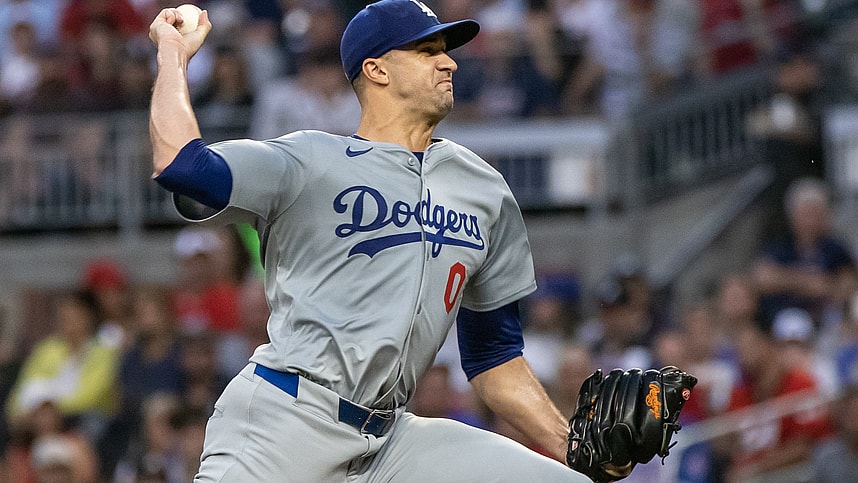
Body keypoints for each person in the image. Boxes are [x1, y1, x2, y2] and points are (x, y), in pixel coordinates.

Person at [146, 1, 592, 481]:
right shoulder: (309, 160)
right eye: (427, 50)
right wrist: (173, 54)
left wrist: (576, 448)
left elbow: (494, 357)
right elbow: (182, 166)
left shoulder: (484, 190)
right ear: (375, 69)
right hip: (285, 420)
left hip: (389, 441)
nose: (450, 62)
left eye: (445, 50)